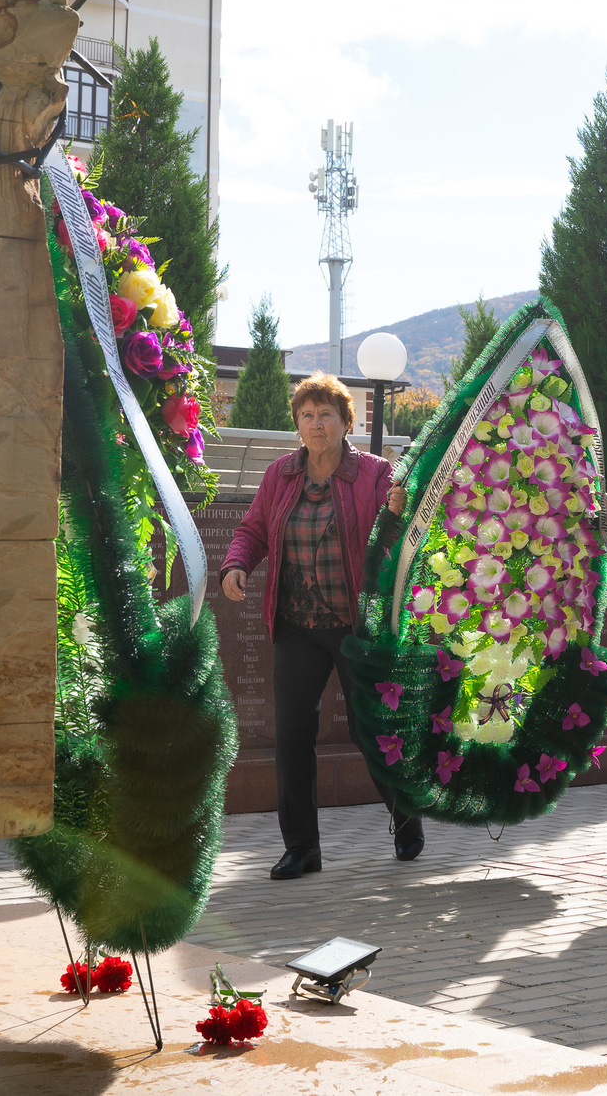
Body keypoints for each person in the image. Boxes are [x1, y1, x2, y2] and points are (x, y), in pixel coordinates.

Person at [219, 372, 419, 878]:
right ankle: (302, 848)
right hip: (295, 623)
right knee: (292, 734)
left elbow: (397, 542)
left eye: (325, 414)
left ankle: (405, 812)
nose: (315, 424)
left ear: (346, 421)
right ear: (297, 424)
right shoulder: (280, 475)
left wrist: (395, 513)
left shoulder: (375, 475)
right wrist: (237, 564)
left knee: (368, 727)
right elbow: (254, 529)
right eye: (306, 416)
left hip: (355, 625)